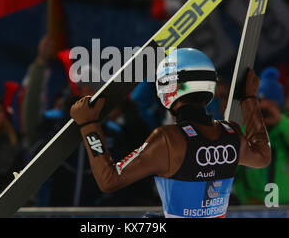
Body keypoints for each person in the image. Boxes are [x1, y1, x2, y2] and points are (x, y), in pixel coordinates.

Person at [70, 47, 271, 218]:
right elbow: (263, 156)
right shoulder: (231, 132)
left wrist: (88, 125)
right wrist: (249, 99)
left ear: (169, 87)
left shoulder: (167, 139)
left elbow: (109, 180)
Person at [234, 67, 289, 205]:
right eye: (260, 108)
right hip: (252, 208)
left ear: (280, 107)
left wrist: (280, 120)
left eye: (270, 107)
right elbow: (232, 168)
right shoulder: (245, 132)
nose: (264, 112)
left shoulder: (285, 129)